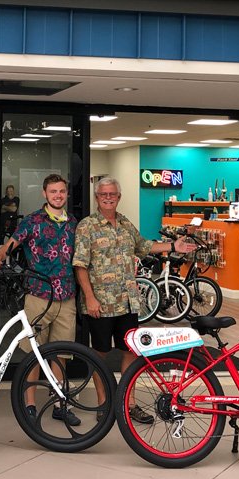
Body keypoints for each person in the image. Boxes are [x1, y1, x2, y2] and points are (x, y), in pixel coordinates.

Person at [73, 176, 191, 424]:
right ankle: (104, 404)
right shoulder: (87, 226)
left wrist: (173, 246)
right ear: (97, 198)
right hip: (101, 305)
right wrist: (90, 298)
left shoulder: (125, 223)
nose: (108, 198)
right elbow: (80, 266)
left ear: (118, 197)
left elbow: (144, 245)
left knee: (131, 351)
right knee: (101, 353)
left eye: (112, 194)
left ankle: (129, 403)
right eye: (103, 194)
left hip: (127, 301)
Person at [0, 174, 80, 425]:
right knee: (34, 353)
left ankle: (59, 403)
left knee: (61, 355)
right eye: (53, 191)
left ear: (66, 194)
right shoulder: (33, 221)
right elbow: (10, 244)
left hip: (66, 296)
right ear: (44, 194)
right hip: (39, 295)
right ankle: (30, 405)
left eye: (62, 191)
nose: (58, 195)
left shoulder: (73, 223)